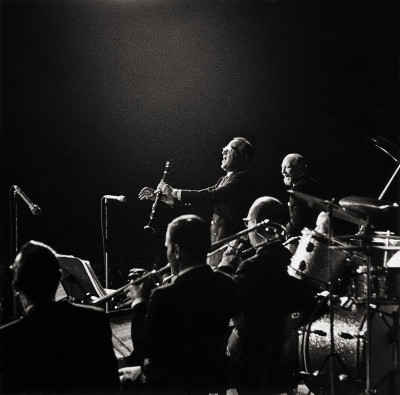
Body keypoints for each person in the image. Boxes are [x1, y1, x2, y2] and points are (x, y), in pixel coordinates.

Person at [120, 214, 238, 394]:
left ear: (176, 250)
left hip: (171, 382)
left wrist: (138, 300)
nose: (166, 254)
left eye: (167, 248)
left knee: (117, 379)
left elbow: (144, 346)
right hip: (209, 377)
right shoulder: (227, 284)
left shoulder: (164, 296)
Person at [218, 197, 313, 394]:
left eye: (247, 222)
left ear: (255, 224)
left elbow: (222, 305)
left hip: (250, 364)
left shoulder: (250, 267)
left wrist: (226, 265)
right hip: (284, 363)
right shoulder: (295, 264)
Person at [0, 241, 120, 394]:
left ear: (16, 286)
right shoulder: (95, 319)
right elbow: (111, 385)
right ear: (59, 277)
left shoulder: (8, 338)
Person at [139, 137, 258, 266]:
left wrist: (173, 192)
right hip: (219, 246)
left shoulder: (243, 177)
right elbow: (203, 200)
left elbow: (212, 196)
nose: (223, 152)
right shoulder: (224, 179)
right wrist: (165, 198)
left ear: (243, 156)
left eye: (228, 149)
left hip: (231, 248)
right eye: (224, 149)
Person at [281, 153, 323, 238]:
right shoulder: (314, 185)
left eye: (287, 167)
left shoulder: (298, 189)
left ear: (300, 168)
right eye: (282, 167)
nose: (283, 171)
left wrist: (283, 233)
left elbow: (297, 225)